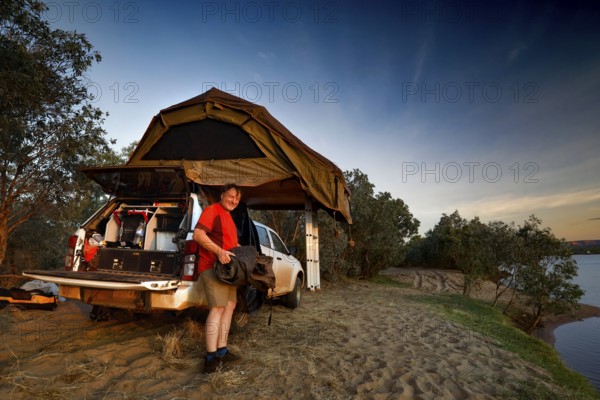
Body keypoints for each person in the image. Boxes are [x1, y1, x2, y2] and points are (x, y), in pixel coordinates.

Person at [193, 183, 242, 373]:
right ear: (222, 195)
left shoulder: (228, 216)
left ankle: (222, 350)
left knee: (230, 307)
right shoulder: (212, 210)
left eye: (237, 198)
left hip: (228, 271)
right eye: (231, 196)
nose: (234, 200)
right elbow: (198, 234)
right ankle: (210, 357)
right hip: (212, 267)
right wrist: (219, 251)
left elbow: (228, 241)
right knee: (218, 308)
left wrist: (239, 247)